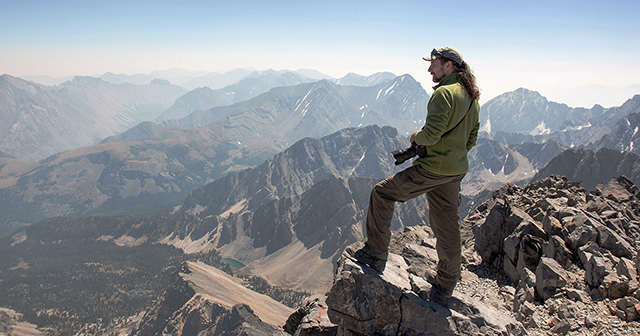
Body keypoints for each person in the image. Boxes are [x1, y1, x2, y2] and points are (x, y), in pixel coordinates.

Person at [354, 47, 480, 300]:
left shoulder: (444, 94)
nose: (429, 69)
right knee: (446, 223)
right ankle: (445, 286)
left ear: (449, 66)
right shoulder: (471, 95)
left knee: (382, 194)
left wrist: (415, 137)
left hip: (432, 169)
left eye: (433, 64)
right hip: (455, 171)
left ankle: (375, 255)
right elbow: (472, 138)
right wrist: (453, 154)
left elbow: (431, 135)